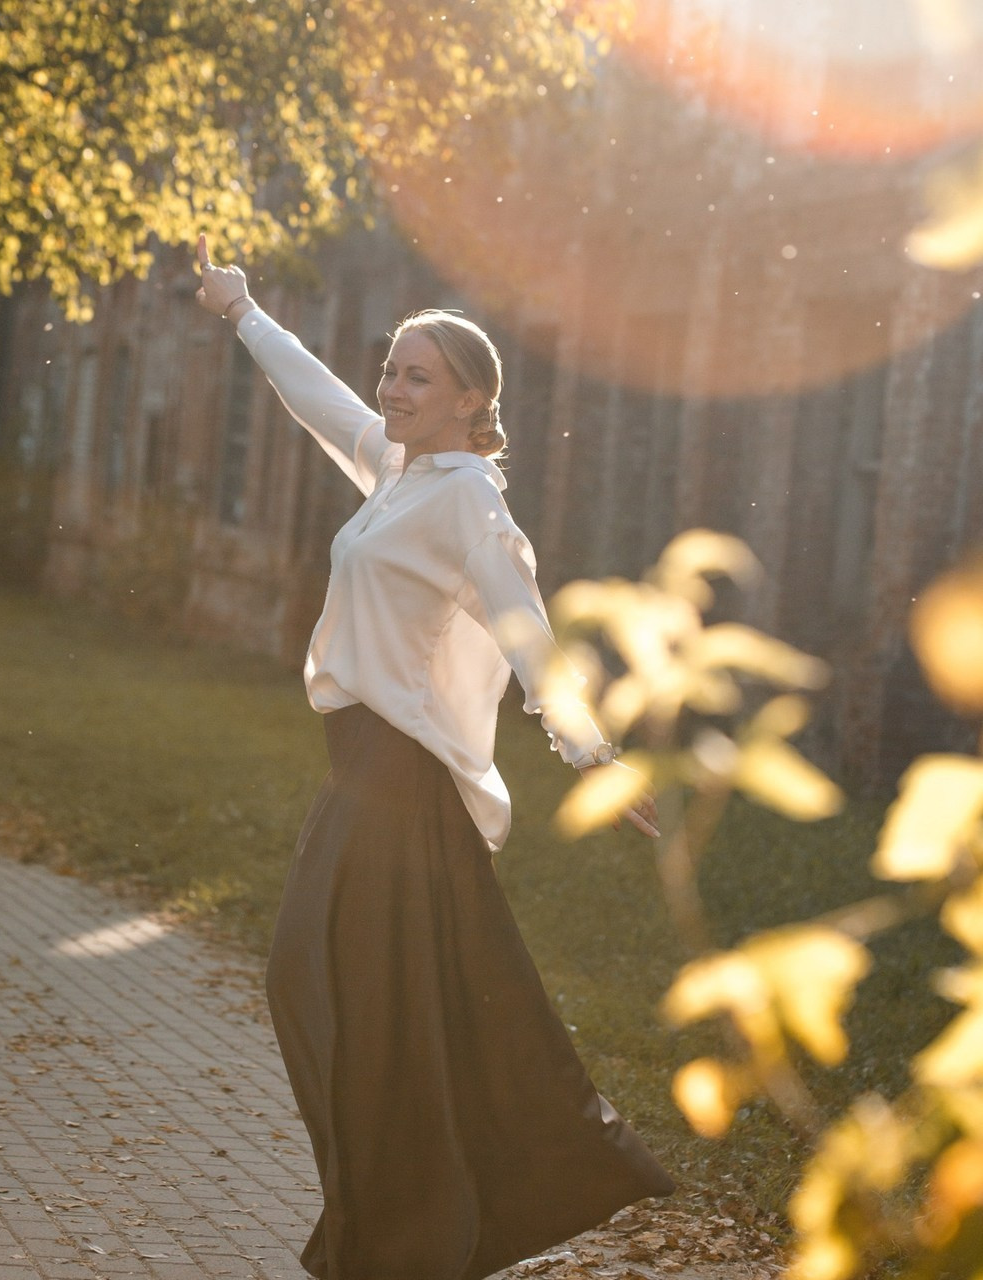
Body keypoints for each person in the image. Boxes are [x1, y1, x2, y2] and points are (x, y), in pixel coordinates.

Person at [194, 234, 674, 1280]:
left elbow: (523, 625)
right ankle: (397, 1230)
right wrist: (242, 313)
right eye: (390, 368)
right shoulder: (398, 472)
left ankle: (402, 1236)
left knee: (341, 996)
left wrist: (588, 746)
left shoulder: (466, 498)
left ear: (469, 399)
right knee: (344, 998)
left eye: (416, 375)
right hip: (354, 773)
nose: (391, 386)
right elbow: (320, 399)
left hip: (400, 782)